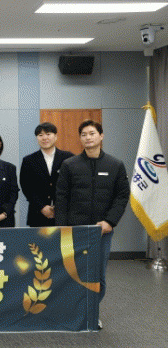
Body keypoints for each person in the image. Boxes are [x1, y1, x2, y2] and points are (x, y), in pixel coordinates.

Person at [56, 120, 130, 306]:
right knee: (73, 273)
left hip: (101, 230)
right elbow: (61, 197)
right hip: (74, 230)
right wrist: (62, 226)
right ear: (80, 139)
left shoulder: (115, 165)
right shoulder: (69, 165)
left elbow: (122, 196)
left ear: (101, 136)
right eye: (84, 135)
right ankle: (75, 312)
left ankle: (92, 313)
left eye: (92, 133)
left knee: (98, 275)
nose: (88, 138)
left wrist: (110, 222)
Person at [20, 122, 74, 227]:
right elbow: (26, 187)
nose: (44, 138)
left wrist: (59, 207)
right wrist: (42, 207)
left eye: (48, 134)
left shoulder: (69, 158)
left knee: (65, 239)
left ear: (56, 136)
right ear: (37, 138)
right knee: (39, 239)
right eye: (40, 135)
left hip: (65, 215)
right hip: (38, 216)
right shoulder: (28, 160)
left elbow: (73, 185)